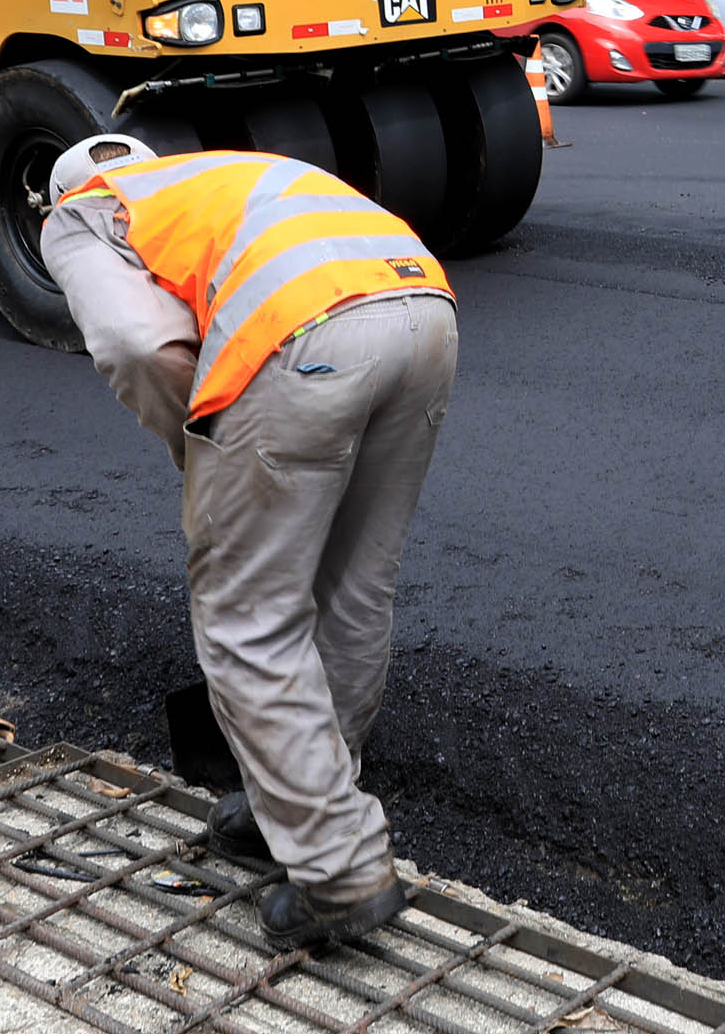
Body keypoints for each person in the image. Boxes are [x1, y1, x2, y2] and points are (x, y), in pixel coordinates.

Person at [39, 133, 461, 950]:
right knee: (354, 587)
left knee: (246, 617)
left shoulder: (82, 211)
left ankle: (339, 871)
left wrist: (204, 449)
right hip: (425, 316)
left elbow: (140, 345)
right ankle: (299, 808)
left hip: (303, 340)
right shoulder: (213, 177)